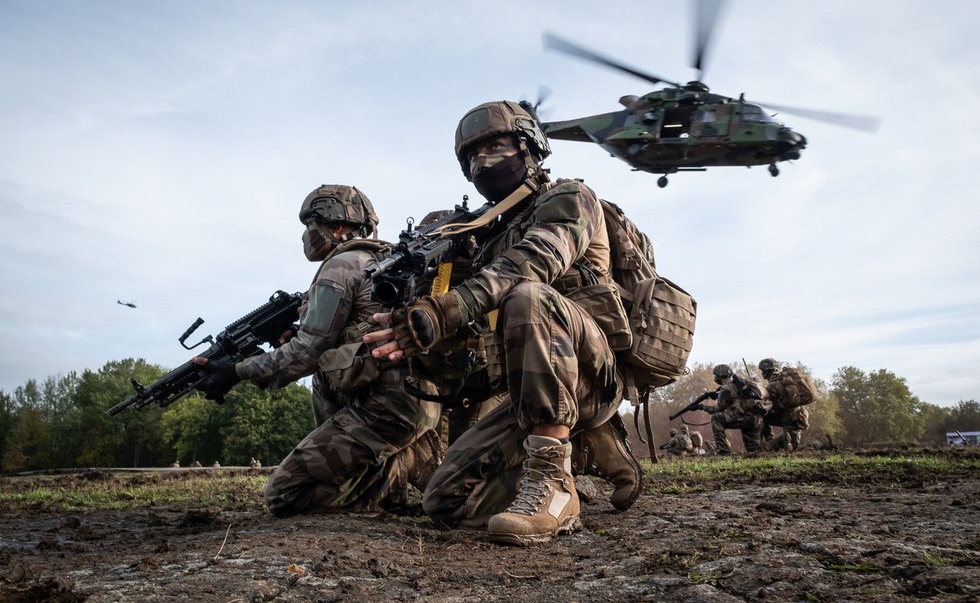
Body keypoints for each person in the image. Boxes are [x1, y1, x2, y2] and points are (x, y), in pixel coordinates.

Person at [366, 100, 644, 546]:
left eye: (495, 146)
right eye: (472, 156)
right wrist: (427, 303)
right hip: (528, 393)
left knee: (527, 295)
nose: (482, 162)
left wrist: (448, 308)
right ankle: (578, 453)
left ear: (529, 147)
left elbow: (534, 262)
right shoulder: (486, 239)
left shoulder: (571, 197)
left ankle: (553, 487)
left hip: (591, 374)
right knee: (445, 502)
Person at [194, 184, 443, 516]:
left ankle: (392, 474)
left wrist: (235, 371)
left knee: (283, 496)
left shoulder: (340, 266)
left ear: (337, 226)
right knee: (325, 373)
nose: (305, 235)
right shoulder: (380, 260)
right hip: (412, 402)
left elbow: (306, 353)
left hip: (385, 410)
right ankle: (395, 470)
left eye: (310, 224)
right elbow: (349, 337)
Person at [698, 364, 769, 455]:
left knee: (717, 418)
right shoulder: (741, 383)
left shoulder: (726, 388)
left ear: (719, 375)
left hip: (742, 418)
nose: (715, 378)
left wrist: (702, 407)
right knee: (754, 451)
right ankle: (776, 446)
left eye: (716, 375)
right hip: (756, 420)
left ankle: (724, 451)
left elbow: (718, 408)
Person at [758, 358, 811, 451]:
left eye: (762, 371)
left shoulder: (772, 386)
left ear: (766, 372)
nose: (762, 373)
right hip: (800, 415)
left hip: (787, 418)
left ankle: (769, 444)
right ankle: (777, 440)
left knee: (760, 415)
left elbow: (767, 406)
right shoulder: (787, 380)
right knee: (794, 446)